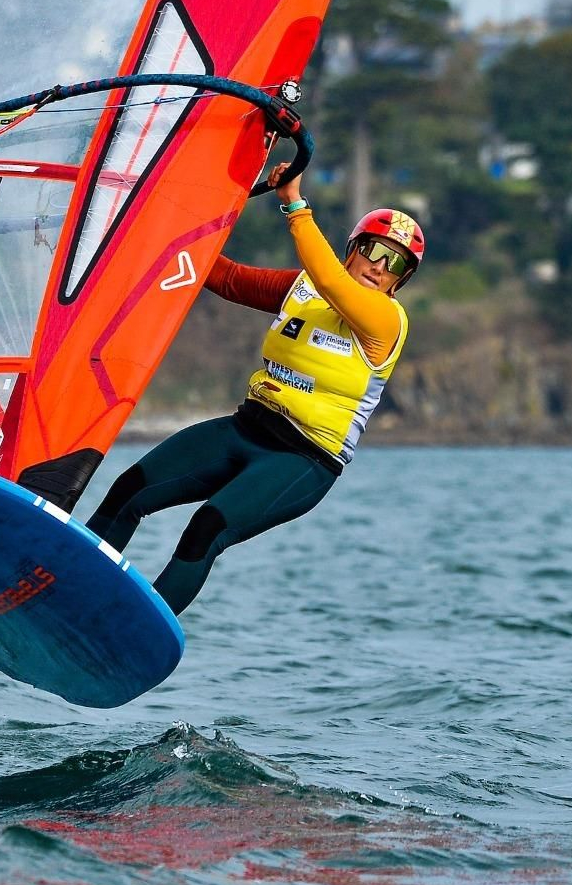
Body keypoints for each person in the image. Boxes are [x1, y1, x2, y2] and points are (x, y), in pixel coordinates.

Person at [84, 162, 424, 615]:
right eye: (374, 250)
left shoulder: (387, 321)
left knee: (205, 529)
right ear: (353, 250)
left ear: (401, 280)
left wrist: (294, 204)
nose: (380, 266)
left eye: (395, 262)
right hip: (246, 428)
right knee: (130, 488)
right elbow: (224, 278)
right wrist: (160, 229)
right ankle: (62, 586)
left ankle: (127, 633)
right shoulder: (303, 289)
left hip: (304, 458)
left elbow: (329, 278)